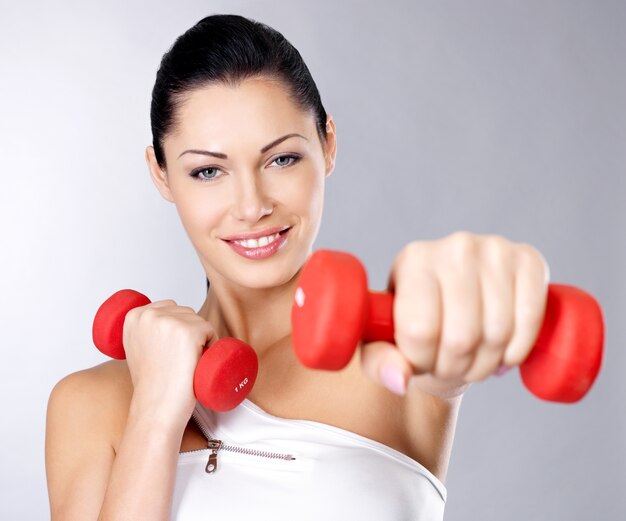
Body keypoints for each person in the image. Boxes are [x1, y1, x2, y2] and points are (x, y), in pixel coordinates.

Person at [45, 13, 549, 521]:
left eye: (281, 159)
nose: (251, 206)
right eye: (208, 170)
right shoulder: (89, 403)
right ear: (161, 174)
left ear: (328, 143)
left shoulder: (394, 353)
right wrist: (154, 413)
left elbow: (453, 339)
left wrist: (483, 294)